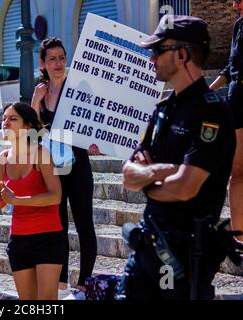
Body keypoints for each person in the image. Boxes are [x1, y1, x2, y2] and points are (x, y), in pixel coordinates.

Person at [120, 15, 236, 300]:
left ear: (183, 54)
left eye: (159, 50)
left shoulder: (212, 114)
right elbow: (127, 174)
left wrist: (147, 178)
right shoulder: (162, 109)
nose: (152, 59)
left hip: (181, 255)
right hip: (148, 243)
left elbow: (186, 187)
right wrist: (161, 172)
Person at [0, 102, 64, 300]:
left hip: (48, 236)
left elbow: (56, 196)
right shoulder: (3, 157)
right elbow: (1, 201)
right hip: (18, 239)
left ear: (27, 126)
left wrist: (17, 200)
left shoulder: (41, 153)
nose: (5, 123)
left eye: (13, 119)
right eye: (3, 119)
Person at [30, 37, 98, 300]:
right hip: (53, 171)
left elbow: (94, 123)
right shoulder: (40, 92)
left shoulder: (78, 87)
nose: (58, 63)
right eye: (52, 59)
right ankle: (60, 284)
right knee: (57, 227)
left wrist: (95, 142)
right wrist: (36, 103)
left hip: (79, 165)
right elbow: (32, 135)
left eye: (61, 57)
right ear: (43, 64)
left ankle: (84, 283)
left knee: (84, 225)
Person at [209, 0, 243, 241]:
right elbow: (232, 66)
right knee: (237, 171)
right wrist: (208, 90)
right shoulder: (239, 25)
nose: (233, 4)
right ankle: (239, 236)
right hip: (237, 101)